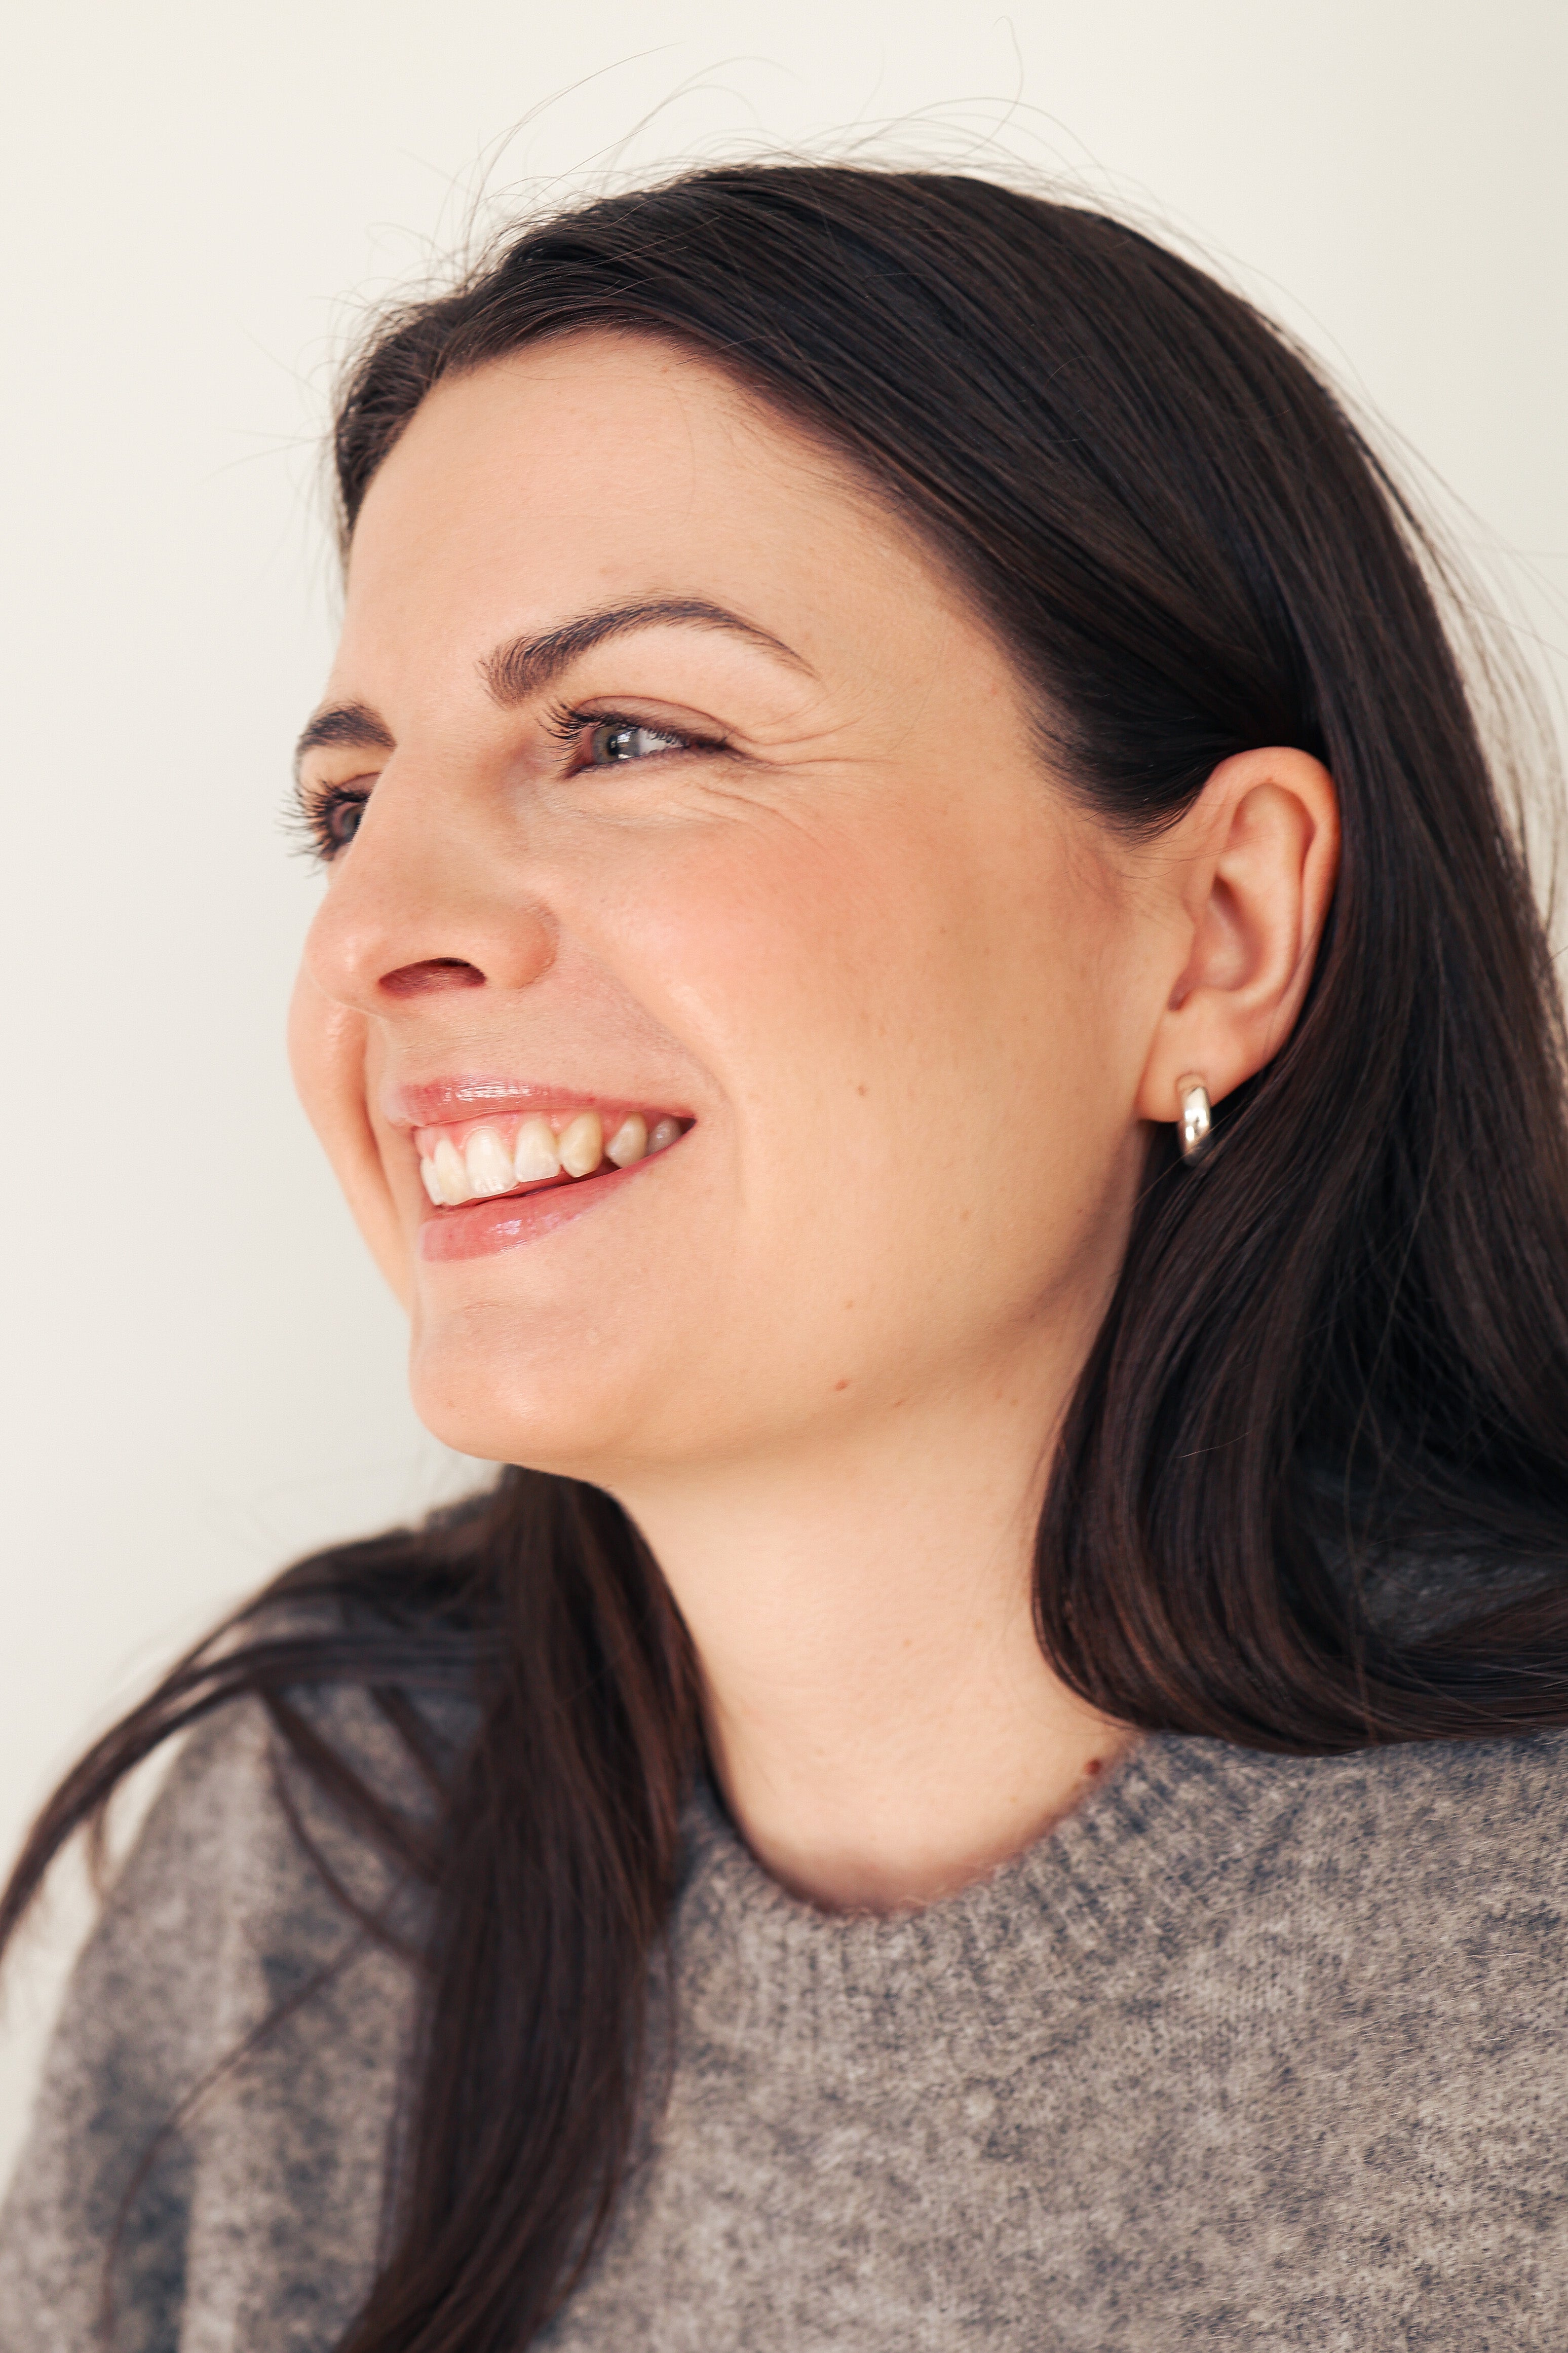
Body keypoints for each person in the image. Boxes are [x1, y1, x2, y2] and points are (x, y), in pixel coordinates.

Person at [3, 160, 1568, 2353]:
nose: (377, 935)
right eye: (350, 809)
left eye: (631, 736)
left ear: (1216, 934)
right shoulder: (302, 1879)